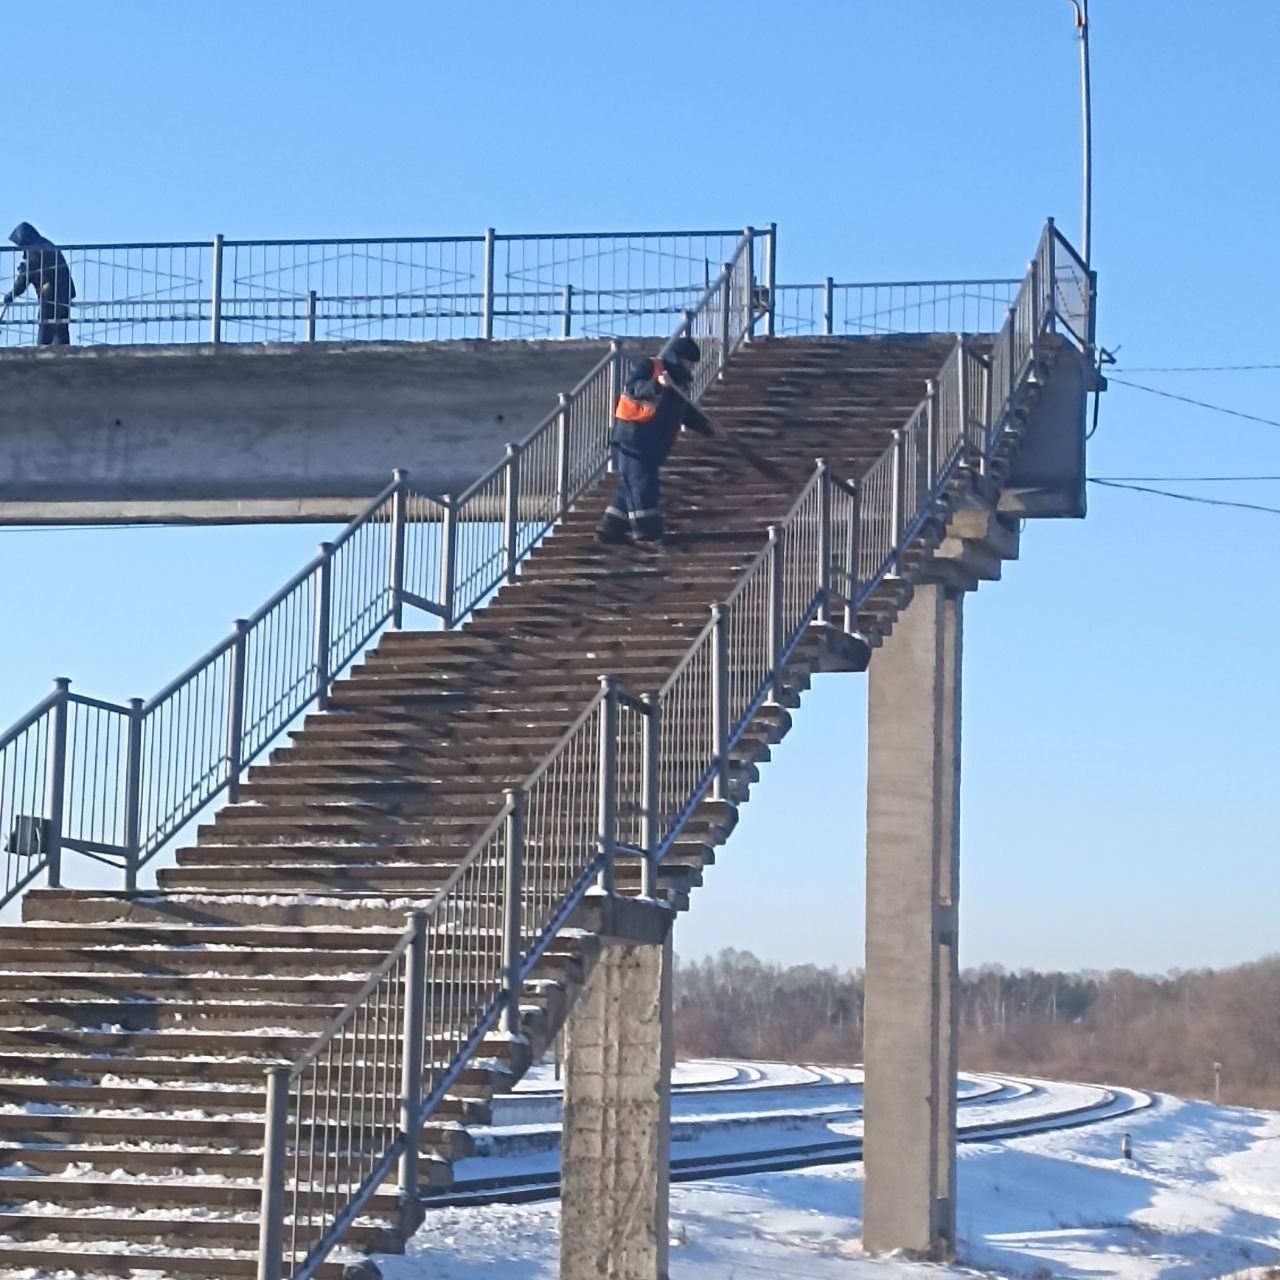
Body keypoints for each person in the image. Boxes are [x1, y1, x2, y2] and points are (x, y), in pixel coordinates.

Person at [595, 335, 713, 546]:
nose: (691, 368)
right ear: (677, 358)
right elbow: (634, 389)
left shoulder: (681, 383)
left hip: (654, 446)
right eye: (688, 362)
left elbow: (683, 411)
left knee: (630, 486)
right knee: (643, 485)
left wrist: (705, 426)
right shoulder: (650, 367)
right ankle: (648, 532)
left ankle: (611, 528)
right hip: (633, 441)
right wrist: (657, 385)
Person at [3, 222, 75, 346]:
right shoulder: (44, 244)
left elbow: (26, 277)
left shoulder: (35, 251)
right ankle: (63, 349)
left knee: (46, 323)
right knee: (60, 325)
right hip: (62, 291)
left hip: (51, 292)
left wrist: (11, 294)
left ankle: (42, 349)